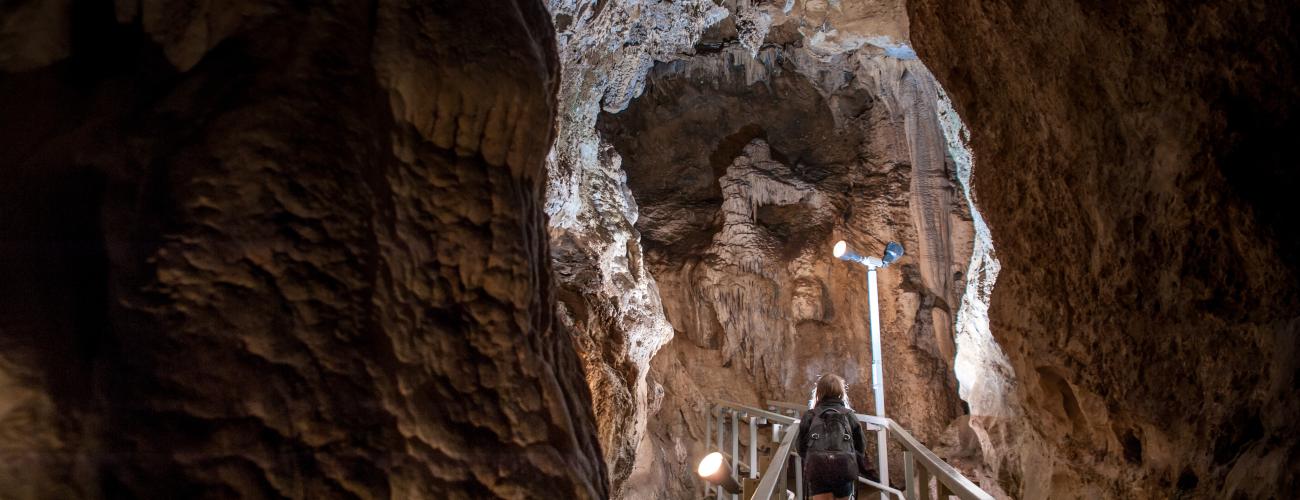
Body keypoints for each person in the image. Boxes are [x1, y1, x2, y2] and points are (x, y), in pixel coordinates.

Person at [797, 374, 876, 500]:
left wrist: (814, 458)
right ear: (841, 392)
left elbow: (800, 447)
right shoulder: (848, 415)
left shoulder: (810, 415)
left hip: (818, 470)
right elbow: (861, 446)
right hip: (843, 468)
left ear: (818, 392)